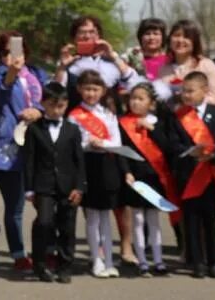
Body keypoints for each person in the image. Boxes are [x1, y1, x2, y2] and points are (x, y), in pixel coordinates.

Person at [0, 31, 46, 271]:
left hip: (38, 146)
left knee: (45, 201)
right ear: (0, 56)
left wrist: (38, 111)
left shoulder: (37, 74)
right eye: (6, 52)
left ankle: (47, 249)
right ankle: (19, 254)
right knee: (15, 206)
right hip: (7, 149)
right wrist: (12, 73)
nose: (12, 56)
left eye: (17, 51)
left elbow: (50, 100)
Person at [168, 71, 215, 278]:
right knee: (191, 220)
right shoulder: (178, 116)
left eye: (190, 91)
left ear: (205, 90)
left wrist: (214, 155)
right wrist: (188, 153)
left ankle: (214, 261)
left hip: (210, 174)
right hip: (188, 175)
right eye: (183, 91)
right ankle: (197, 262)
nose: (185, 95)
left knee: (210, 220)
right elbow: (173, 144)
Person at [68, 70, 128, 278]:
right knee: (92, 217)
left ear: (102, 91)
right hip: (88, 166)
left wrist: (103, 143)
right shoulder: (74, 116)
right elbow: (73, 144)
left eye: (95, 89)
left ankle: (110, 260)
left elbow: (117, 143)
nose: (91, 93)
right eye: (87, 89)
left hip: (107, 165)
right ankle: (96, 260)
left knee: (106, 217)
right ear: (79, 90)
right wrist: (88, 143)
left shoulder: (108, 114)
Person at [23, 82, 85, 284]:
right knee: (44, 222)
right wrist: (29, 189)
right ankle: (40, 265)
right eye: (52, 105)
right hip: (44, 184)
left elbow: (79, 161)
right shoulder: (34, 129)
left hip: (68, 185)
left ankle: (65, 266)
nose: (57, 110)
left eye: (61, 105)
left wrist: (80, 186)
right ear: (43, 104)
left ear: (66, 104)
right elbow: (29, 159)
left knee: (67, 226)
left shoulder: (73, 129)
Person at [119, 82, 175, 276]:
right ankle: (142, 260)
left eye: (140, 99)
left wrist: (151, 128)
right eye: (133, 98)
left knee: (154, 219)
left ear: (151, 103)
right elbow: (122, 152)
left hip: (154, 176)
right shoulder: (124, 123)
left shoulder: (158, 122)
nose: (135, 102)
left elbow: (167, 147)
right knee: (137, 218)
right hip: (135, 177)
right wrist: (126, 171)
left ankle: (158, 260)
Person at [55, 15, 140, 110]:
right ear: (74, 38)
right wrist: (62, 67)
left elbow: (135, 84)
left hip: (110, 119)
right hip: (77, 119)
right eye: (82, 32)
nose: (87, 36)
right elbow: (56, 93)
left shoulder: (113, 61)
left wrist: (114, 57)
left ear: (99, 36)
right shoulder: (68, 63)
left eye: (92, 32)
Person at [154, 20, 215, 108]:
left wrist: (190, 99)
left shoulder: (205, 65)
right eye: (176, 35)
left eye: (186, 37)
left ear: (194, 41)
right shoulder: (163, 69)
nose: (180, 40)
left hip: (198, 119)